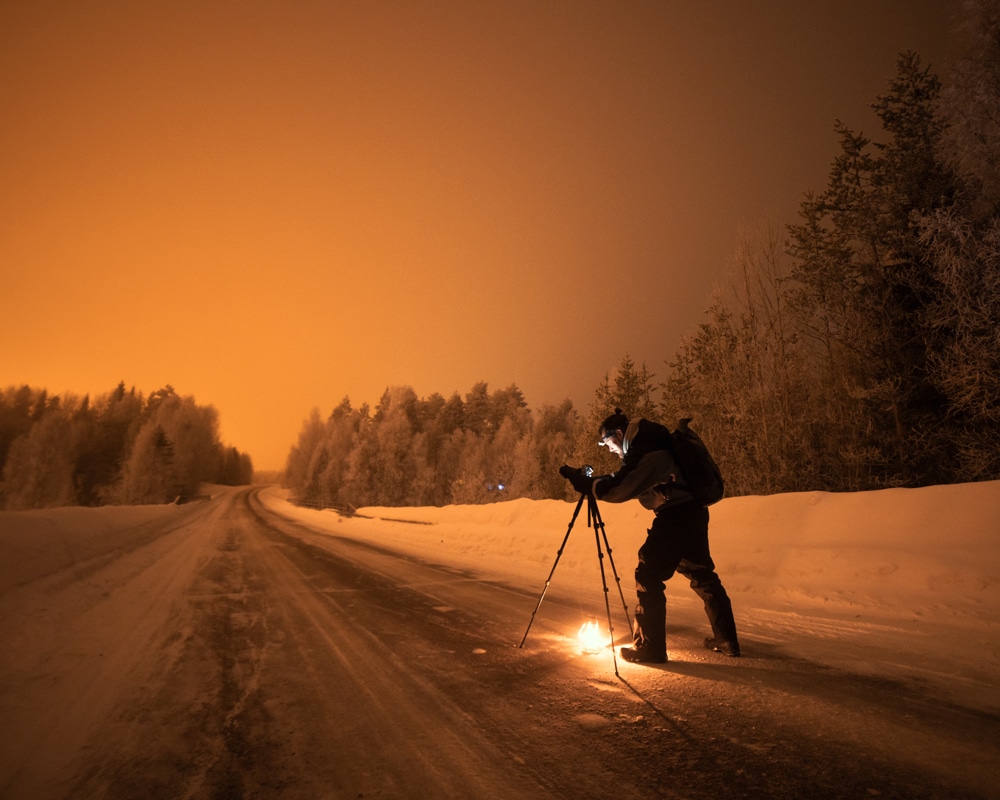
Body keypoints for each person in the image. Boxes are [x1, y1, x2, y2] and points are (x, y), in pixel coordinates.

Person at [560, 409, 739, 663]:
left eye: (609, 443)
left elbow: (623, 486)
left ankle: (650, 648)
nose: (610, 450)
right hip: (693, 513)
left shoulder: (647, 449)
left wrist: (588, 485)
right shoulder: (650, 443)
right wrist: (593, 482)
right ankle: (726, 639)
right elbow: (626, 478)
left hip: (675, 515)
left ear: (619, 434)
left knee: (648, 573)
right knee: (702, 574)